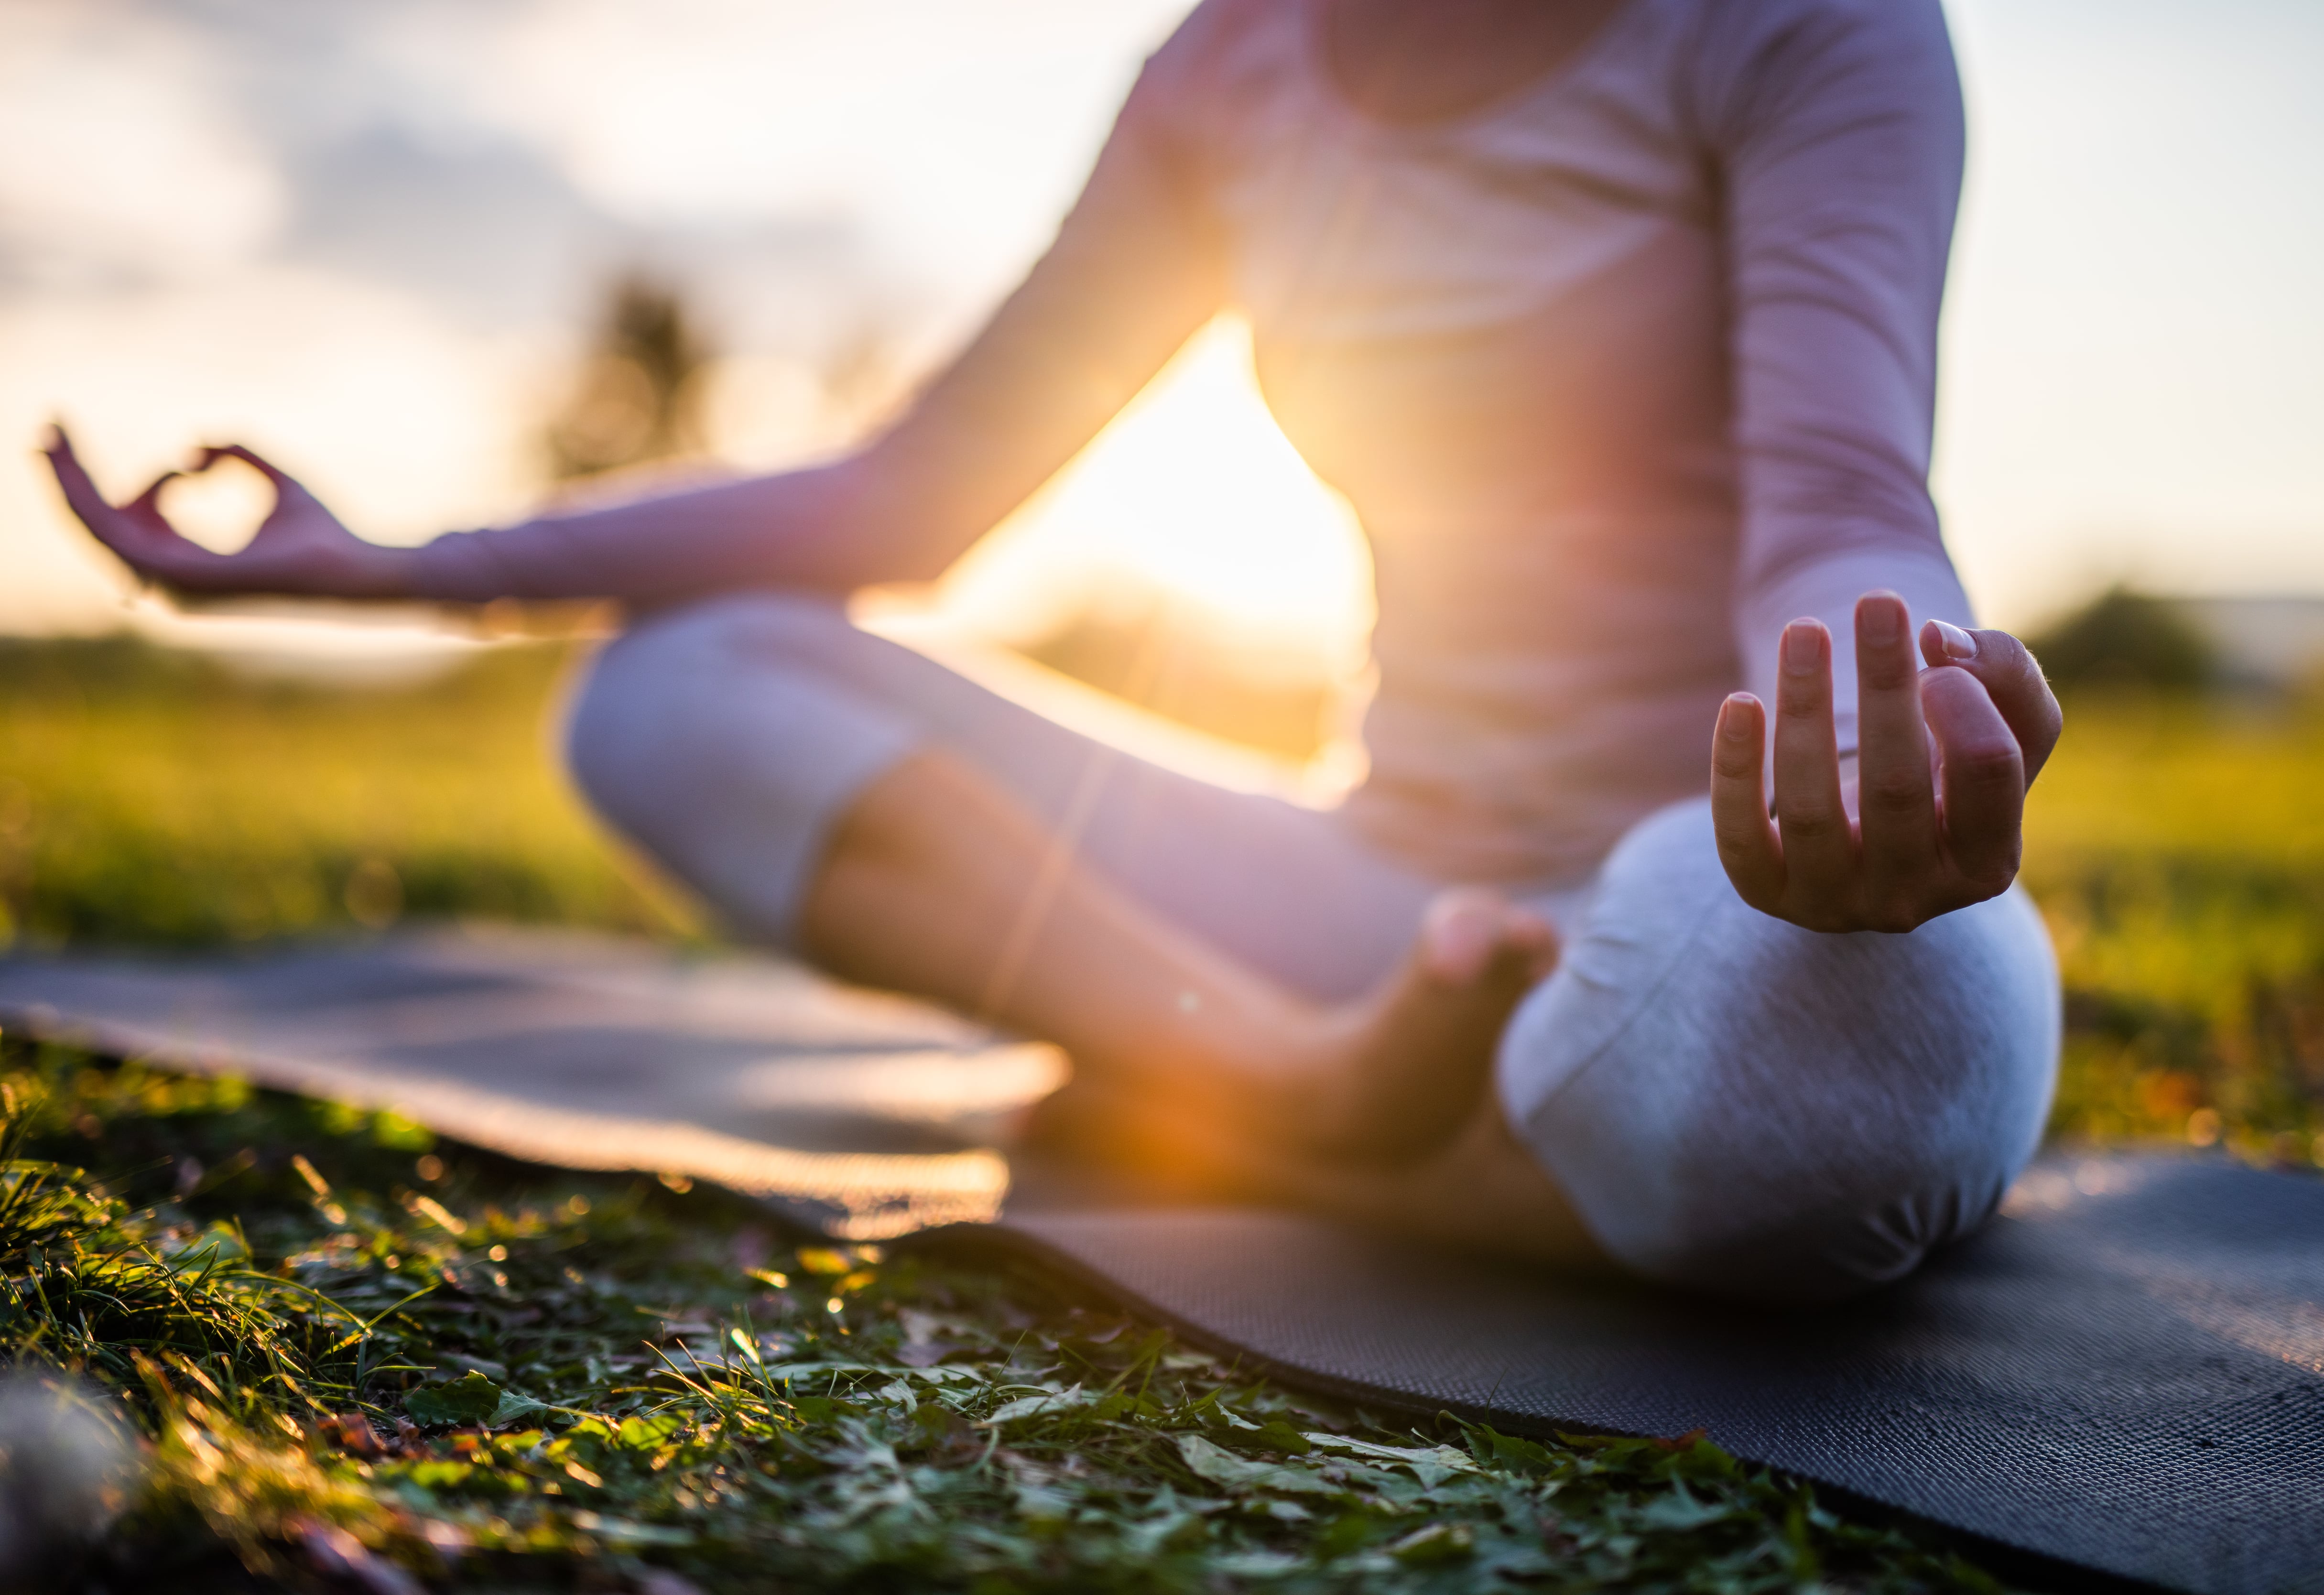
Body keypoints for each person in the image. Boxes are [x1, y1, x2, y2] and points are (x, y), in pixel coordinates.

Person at [43, 0, 2063, 1302]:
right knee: (674, 685)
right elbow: (906, 501)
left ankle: (1245, 1099)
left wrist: (1870, 730)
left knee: (1857, 1081)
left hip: (1702, 892)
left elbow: (1833, 506)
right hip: (1370, 902)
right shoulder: (1230, 77)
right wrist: (385, 564)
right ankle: (1298, 1091)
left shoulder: (1804, 29)